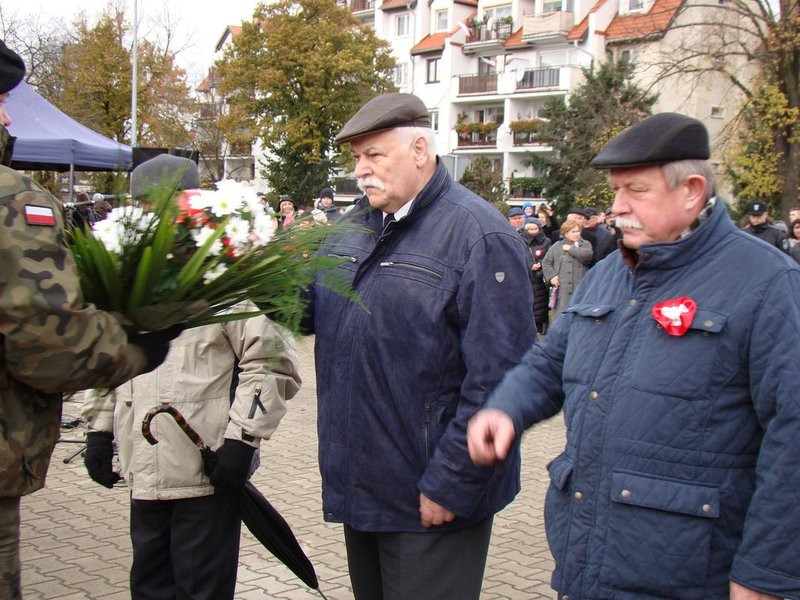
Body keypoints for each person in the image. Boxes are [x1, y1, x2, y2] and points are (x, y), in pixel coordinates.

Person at [467, 112, 800, 600]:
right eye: (616, 190)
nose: (618, 207)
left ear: (691, 191)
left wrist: (765, 576)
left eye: (635, 191)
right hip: (587, 558)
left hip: (692, 575)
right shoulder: (610, 274)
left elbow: (792, 438)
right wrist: (505, 408)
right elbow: (550, 363)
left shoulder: (767, 283)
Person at [303, 92, 535, 599]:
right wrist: (243, 271)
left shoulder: (480, 236)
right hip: (363, 484)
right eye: (356, 158)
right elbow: (306, 310)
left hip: (432, 495)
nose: (360, 171)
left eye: (374, 155)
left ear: (420, 150)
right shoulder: (352, 227)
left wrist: (453, 481)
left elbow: (503, 380)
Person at [0, 41, 177, 599]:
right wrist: (136, 349)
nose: (8, 118)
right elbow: (44, 338)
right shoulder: (12, 199)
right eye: (0, 102)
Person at [82, 155, 303, 600]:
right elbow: (110, 358)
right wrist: (99, 430)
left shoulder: (224, 274)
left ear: (191, 203)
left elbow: (271, 360)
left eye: (166, 204)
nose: (154, 215)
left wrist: (243, 441)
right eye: (144, 205)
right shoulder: (128, 278)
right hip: (144, 474)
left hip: (206, 471)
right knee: (149, 589)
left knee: (202, 591)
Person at [541, 219, 592, 321]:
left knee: (579, 316)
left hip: (580, 287)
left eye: (578, 231)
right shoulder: (557, 246)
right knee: (560, 317)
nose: (576, 234)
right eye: (573, 231)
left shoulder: (585, 244)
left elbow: (587, 256)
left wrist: (570, 249)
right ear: (565, 233)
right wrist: (551, 277)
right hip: (562, 289)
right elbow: (546, 262)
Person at [519, 217, 551, 335]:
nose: (533, 231)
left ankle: (540, 327)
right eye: (530, 229)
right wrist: (529, 265)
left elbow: (549, 256)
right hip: (526, 276)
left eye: (535, 229)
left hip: (541, 276)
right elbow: (518, 256)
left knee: (541, 303)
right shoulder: (519, 240)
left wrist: (541, 264)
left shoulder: (546, 241)